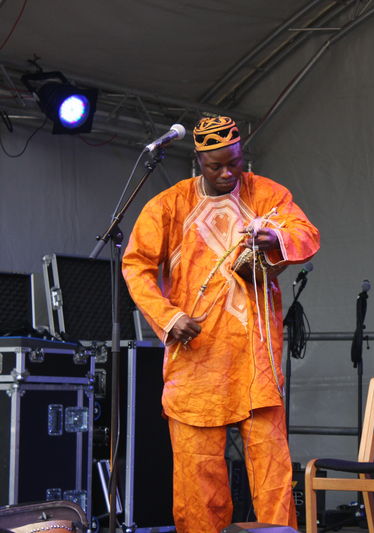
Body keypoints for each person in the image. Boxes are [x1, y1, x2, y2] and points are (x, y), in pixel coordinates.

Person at [122, 116, 320, 533]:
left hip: (255, 360)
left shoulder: (266, 193)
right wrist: (168, 317)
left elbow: (306, 233)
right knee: (198, 483)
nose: (228, 172)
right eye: (216, 166)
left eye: (235, 162)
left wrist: (276, 239)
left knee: (272, 475)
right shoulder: (169, 205)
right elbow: (136, 265)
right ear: (199, 161)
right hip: (197, 362)